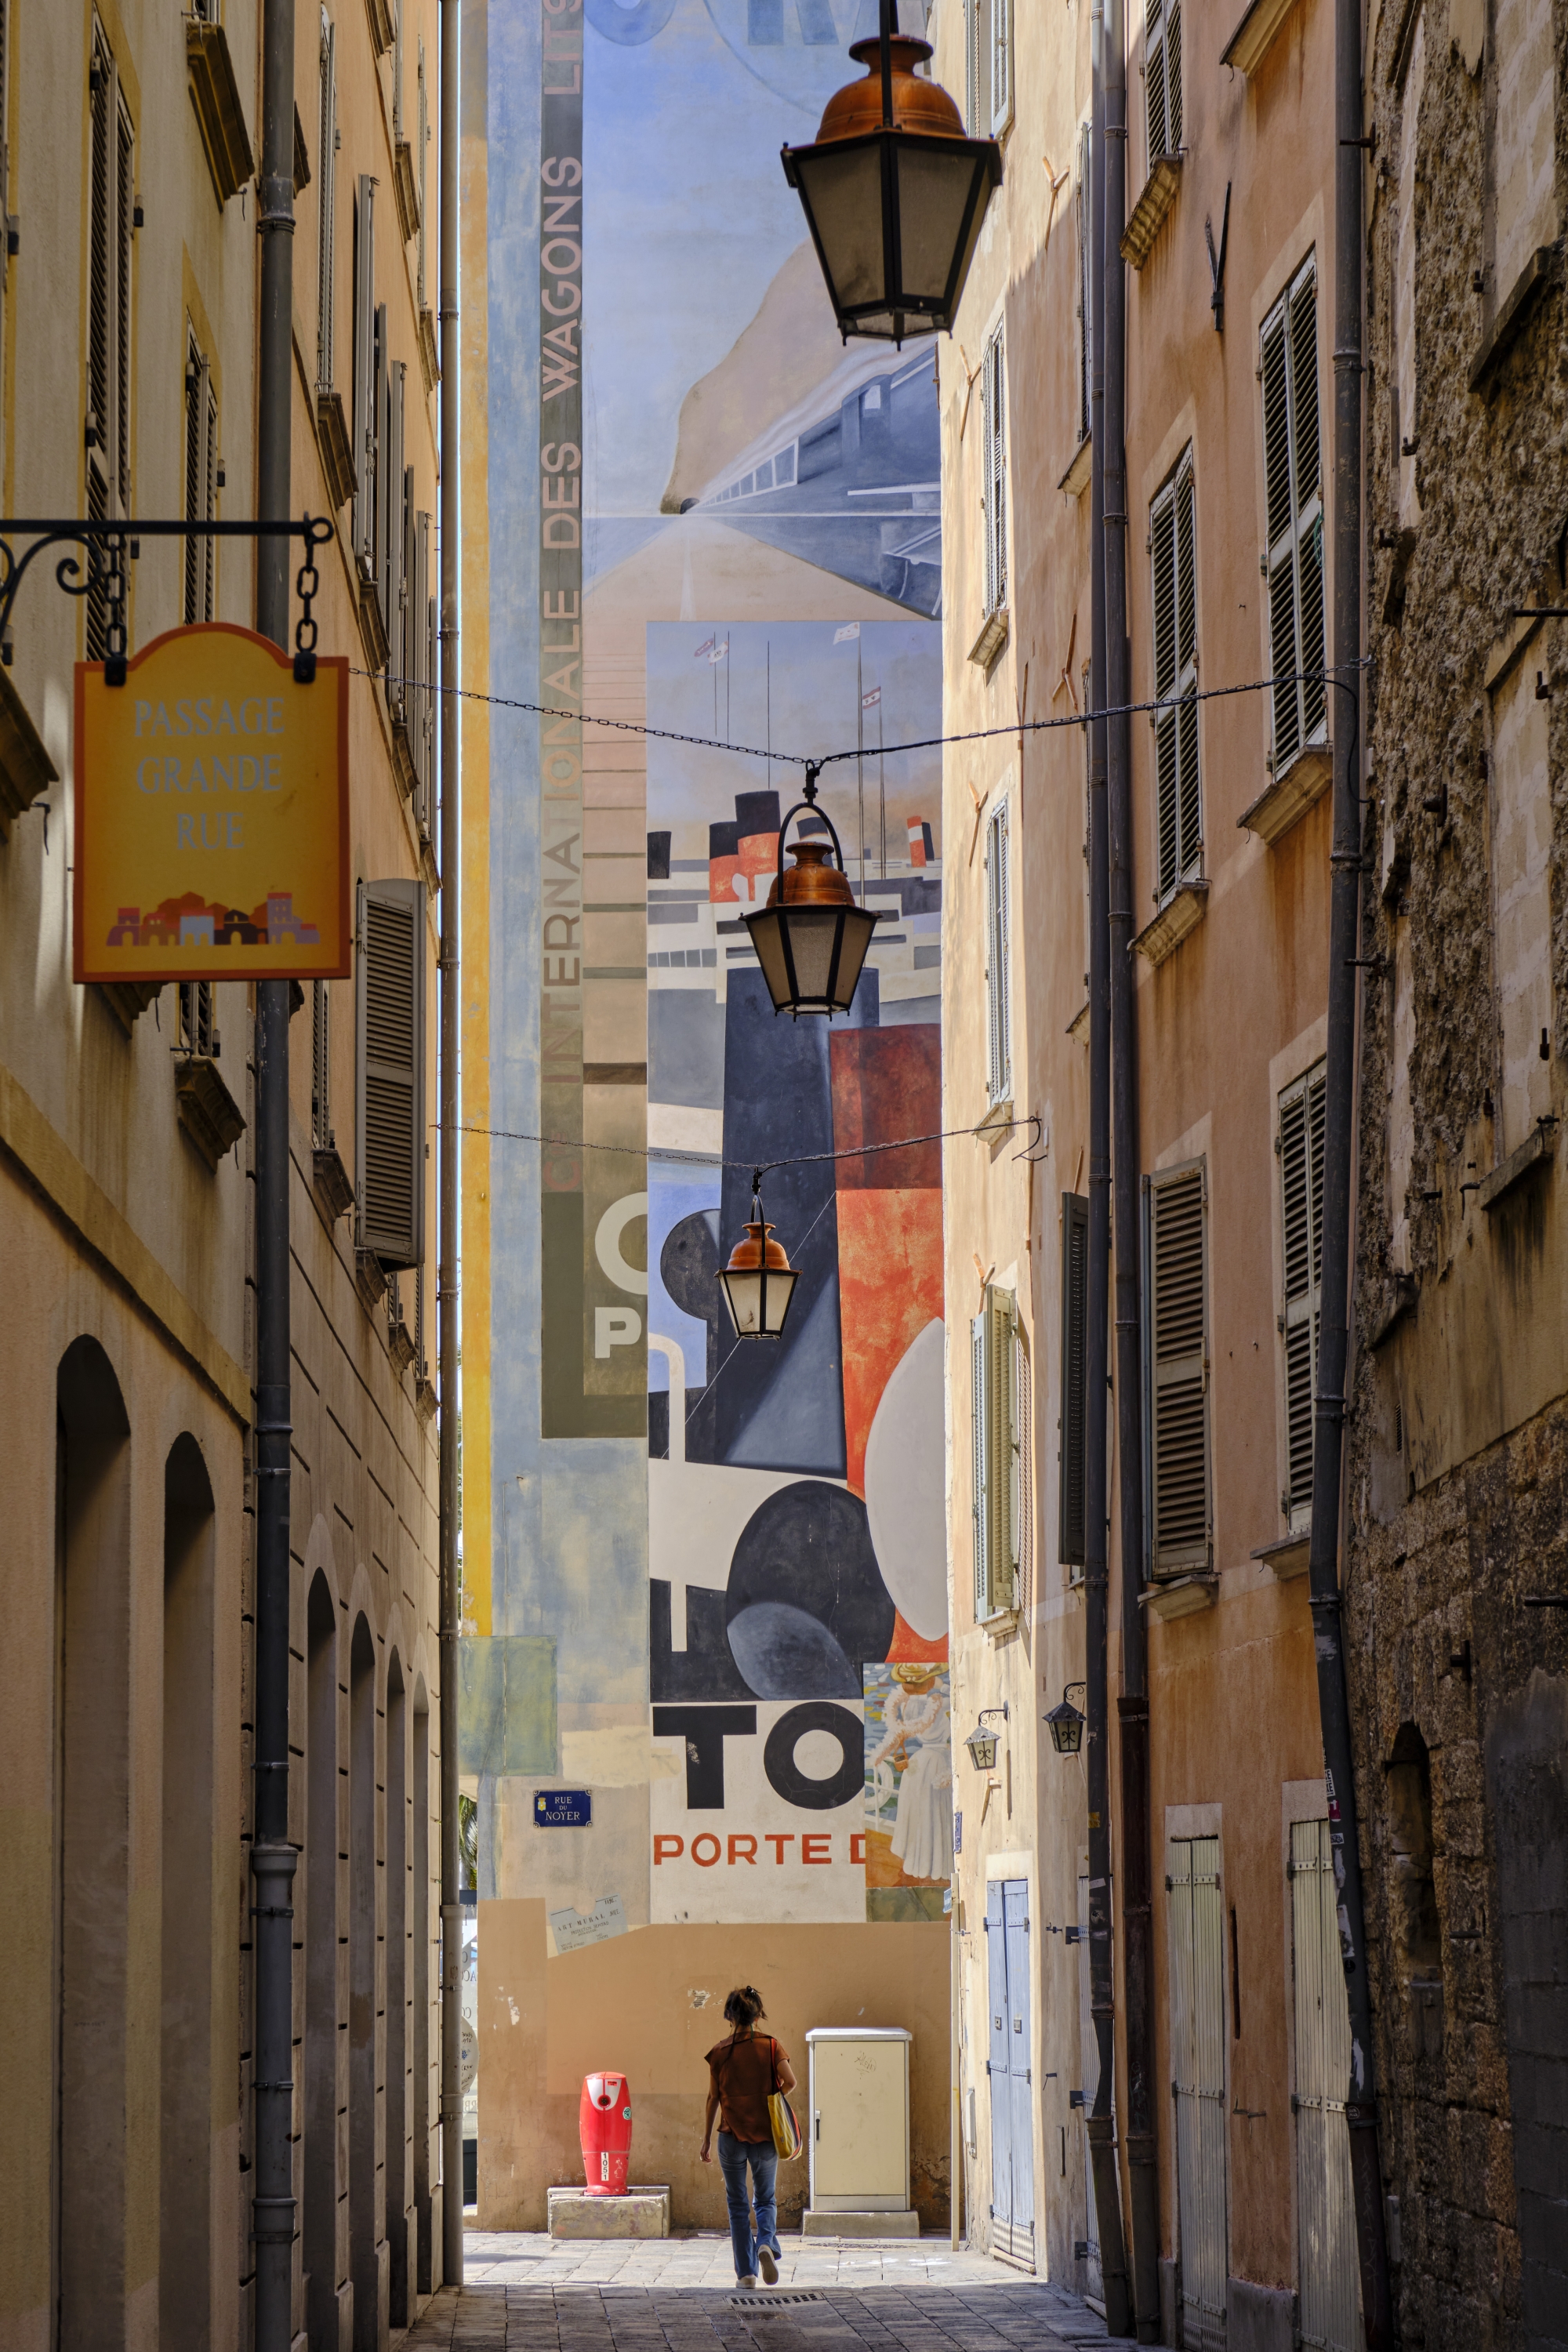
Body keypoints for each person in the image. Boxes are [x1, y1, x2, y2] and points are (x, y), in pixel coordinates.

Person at [700, 1985, 796, 2288]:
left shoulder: (718, 2052)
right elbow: (790, 2082)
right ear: (758, 2014)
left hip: (730, 2138)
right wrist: (773, 2098)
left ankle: (746, 2274)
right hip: (766, 2137)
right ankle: (765, 2243)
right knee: (765, 2199)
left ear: (730, 2015)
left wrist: (705, 2139)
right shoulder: (771, 2047)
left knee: (738, 2204)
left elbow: (713, 2099)